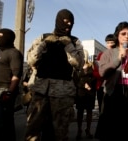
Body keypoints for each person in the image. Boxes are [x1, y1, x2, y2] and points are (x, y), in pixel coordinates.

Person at [25, 9, 84, 141]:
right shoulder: (43, 37)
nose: (68, 25)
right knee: (32, 130)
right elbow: (31, 60)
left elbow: (79, 64)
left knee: (60, 132)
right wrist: (44, 44)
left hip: (63, 94)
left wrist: (68, 45)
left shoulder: (75, 42)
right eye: (65, 21)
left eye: (71, 22)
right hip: (40, 91)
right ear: (58, 20)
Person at [96, 21, 128, 141]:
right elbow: (102, 72)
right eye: (123, 33)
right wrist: (119, 59)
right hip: (114, 91)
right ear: (117, 35)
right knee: (113, 128)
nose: (126, 36)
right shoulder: (108, 52)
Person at [0, 28, 23, 141]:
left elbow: (16, 75)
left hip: (4, 90)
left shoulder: (14, 53)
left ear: (8, 37)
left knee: (5, 122)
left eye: (0, 35)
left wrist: (9, 92)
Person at [75, 49, 97, 140]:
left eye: (84, 54)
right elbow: (75, 79)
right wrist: (83, 85)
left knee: (89, 112)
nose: (83, 56)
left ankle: (88, 130)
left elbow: (95, 76)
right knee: (80, 112)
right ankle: (79, 130)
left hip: (90, 92)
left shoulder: (92, 65)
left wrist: (89, 85)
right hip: (80, 92)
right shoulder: (77, 66)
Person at [94, 33, 115, 113]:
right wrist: (102, 73)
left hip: (114, 87)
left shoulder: (119, 55)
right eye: (107, 42)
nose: (109, 45)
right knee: (102, 111)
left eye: (111, 42)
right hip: (102, 87)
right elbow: (95, 72)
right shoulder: (101, 55)